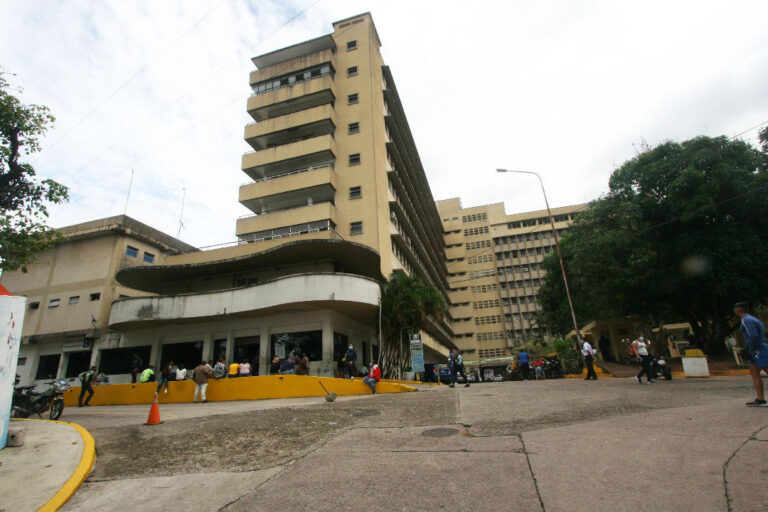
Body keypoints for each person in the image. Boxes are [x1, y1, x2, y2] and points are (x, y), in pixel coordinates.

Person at [735, 302, 768, 407]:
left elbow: (753, 336)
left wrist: (750, 349)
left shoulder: (746, 320)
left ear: (737, 310)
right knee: (754, 372)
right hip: (757, 348)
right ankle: (760, 399)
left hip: (758, 349)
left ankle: (761, 398)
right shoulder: (753, 319)